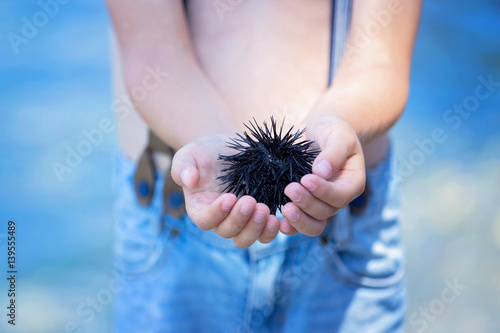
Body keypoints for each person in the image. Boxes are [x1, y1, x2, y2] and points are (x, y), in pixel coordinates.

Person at [106, 0, 421, 332]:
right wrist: (210, 136)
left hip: (344, 219)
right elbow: (153, 55)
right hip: (173, 221)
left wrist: (336, 123)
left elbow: (382, 62)